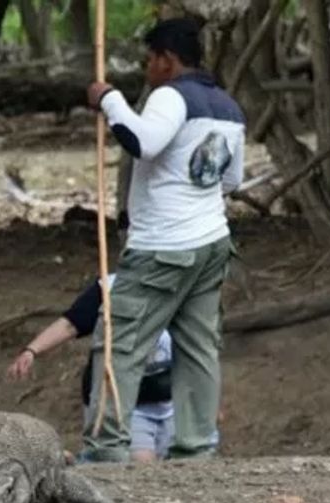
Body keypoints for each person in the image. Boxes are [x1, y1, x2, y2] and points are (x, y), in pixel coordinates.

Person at [83, 17, 243, 462]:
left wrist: (109, 99)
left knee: (122, 341)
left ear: (167, 61)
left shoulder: (170, 95)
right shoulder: (226, 105)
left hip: (163, 245)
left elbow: (143, 141)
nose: (147, 68)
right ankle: (195, 447)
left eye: (150, 60)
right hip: (212, 241)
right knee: (197, 347)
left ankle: (107, 447)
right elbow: (231, 177)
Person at [6, 273, 177, 463]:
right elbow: (70, 325)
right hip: (121, 400)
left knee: (178, 464)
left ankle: (78, 464)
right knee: (139, 462)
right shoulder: (109, 288)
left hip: (172, 397)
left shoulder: (186, 282)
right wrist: (32, 350)